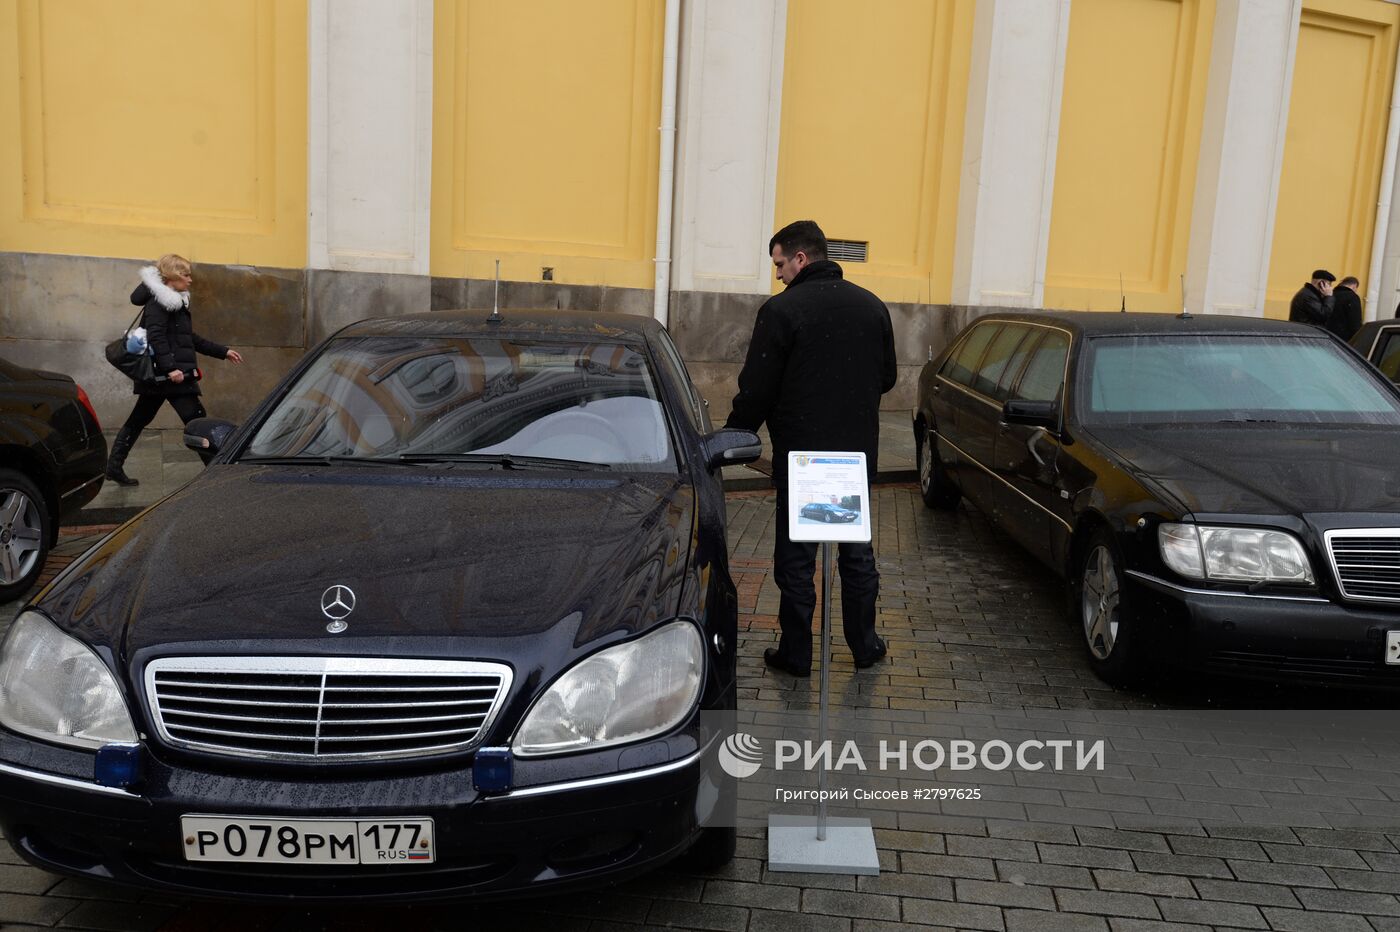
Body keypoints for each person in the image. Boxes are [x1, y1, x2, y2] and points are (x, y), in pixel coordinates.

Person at [725, 220, 897, 677]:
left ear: (801, 259)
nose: (778, 274)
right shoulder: (873, 307)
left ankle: (797, 652)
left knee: (797, 557)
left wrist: (734, 436)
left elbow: (757, 388)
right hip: (853, 458)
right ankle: (864, 645)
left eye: (780, 263)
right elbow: (888, 379)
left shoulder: (781, 312)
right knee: (856, 554)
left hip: (803, 458)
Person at [104, 255, 243, 486]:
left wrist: (223, 351)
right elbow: (156, 338)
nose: (190, 280)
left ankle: (114, 467)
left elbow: (189, 338)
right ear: (171, 278)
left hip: (166, 377)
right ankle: (217, 473)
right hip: (170, 376)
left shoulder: (174, 302)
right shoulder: (159, 303)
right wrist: (171, 369)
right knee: (197, 421)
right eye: (185, 275)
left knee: (140, 419)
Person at [1329, 276, 1363, 342]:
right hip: (1344, 339)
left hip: (1327, 336)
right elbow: (1355, 321)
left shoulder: (1330, 295)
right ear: (1354, 286)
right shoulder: (1352, 297)